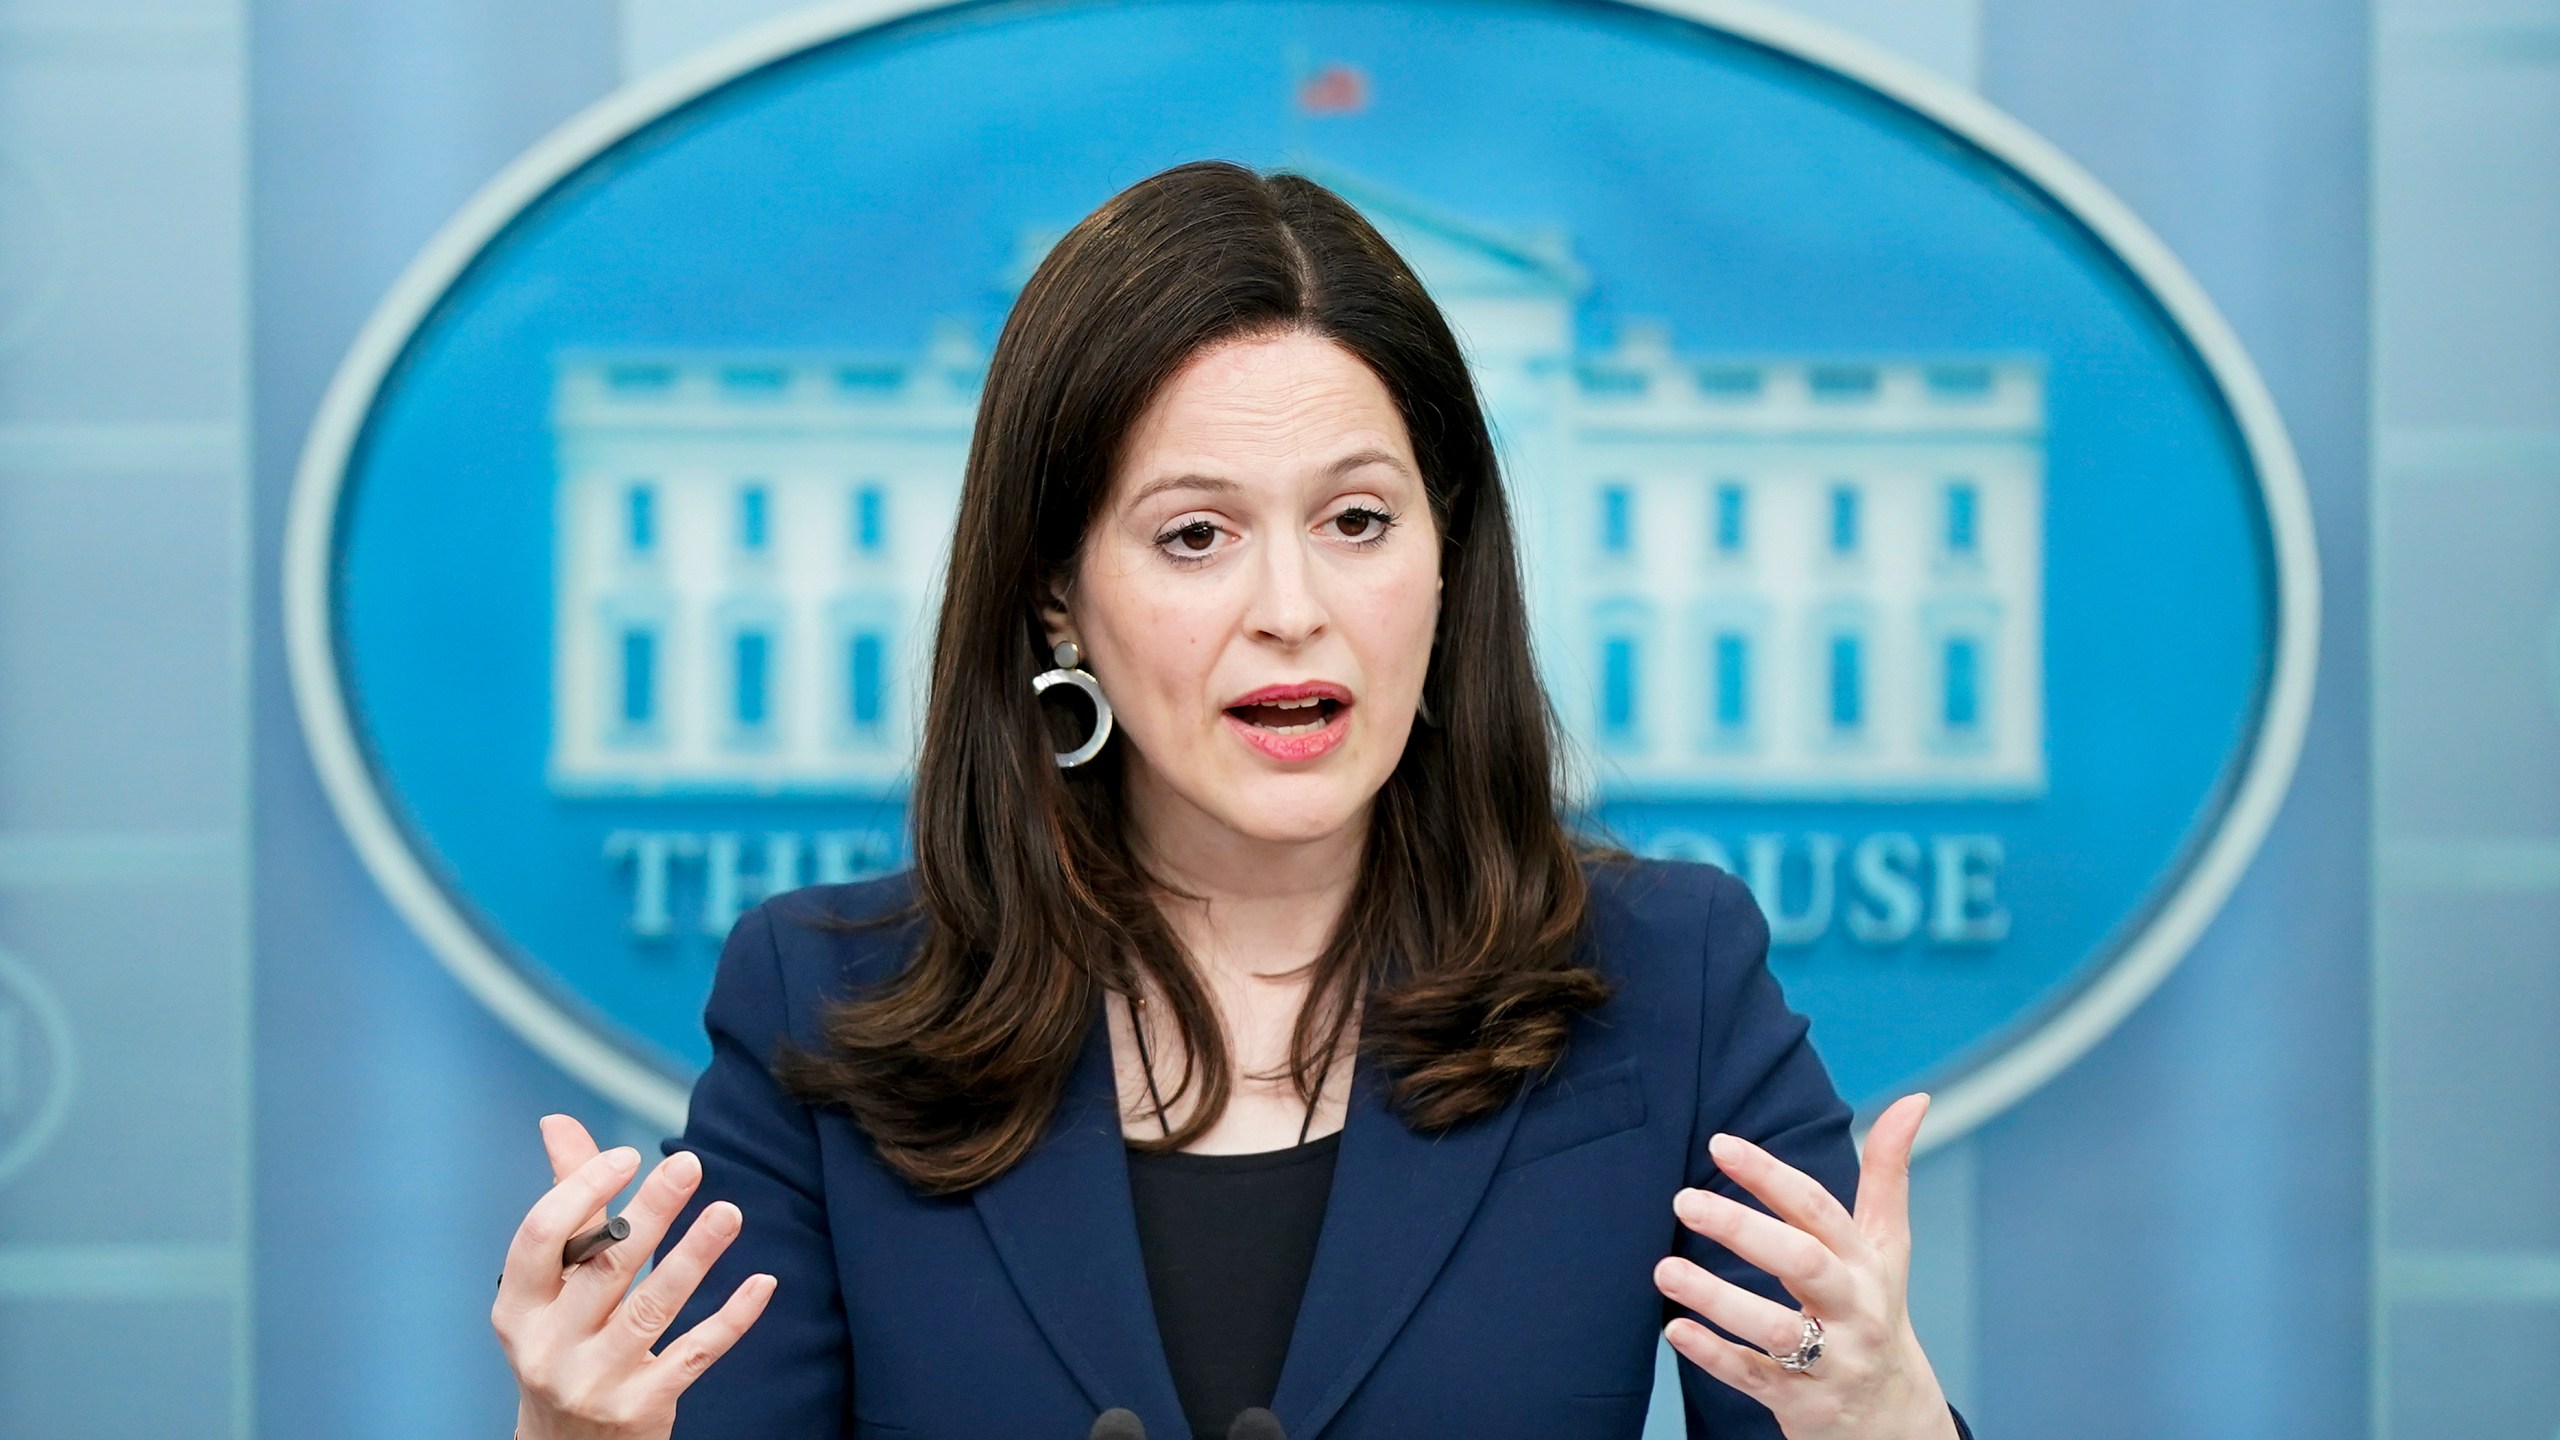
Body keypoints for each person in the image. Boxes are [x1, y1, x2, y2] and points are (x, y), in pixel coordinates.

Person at [489, 159, 1970, 1440]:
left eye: (1357, 522)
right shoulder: (818, 1004)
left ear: (1448, 564)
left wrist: (1886, 1415)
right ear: (1057, 594)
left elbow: (1823, 1400)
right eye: (1195, 534)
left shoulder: (1669, 979)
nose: (1292, 609)